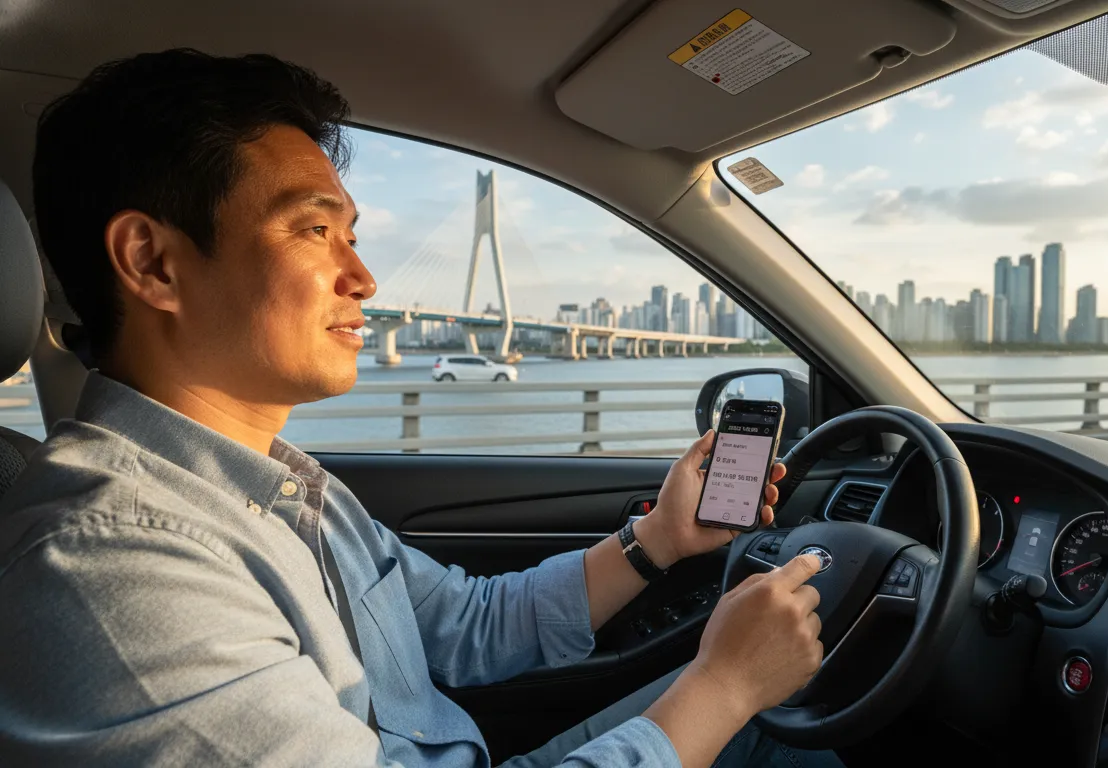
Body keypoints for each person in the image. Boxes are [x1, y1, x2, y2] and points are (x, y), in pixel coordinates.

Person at [0, 50, 838, 768]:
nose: (364, 280)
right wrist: (723, 686)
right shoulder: (112, 570)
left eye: (353, 237)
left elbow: (467, 624)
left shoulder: (280, 488)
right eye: (311, 231)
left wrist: (658, 540)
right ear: (152, 264)